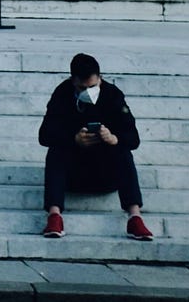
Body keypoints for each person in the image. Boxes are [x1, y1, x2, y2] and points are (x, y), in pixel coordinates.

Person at [38, 52, 152, 241]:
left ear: (100, 79)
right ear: (73, 81)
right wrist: (73, 139)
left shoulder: (112, 94)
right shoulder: (62, 94)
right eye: (83, 87)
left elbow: (133, 139)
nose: (89, 91)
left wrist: (113, 138)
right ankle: (54, 215)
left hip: (106, 172)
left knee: (122, 150)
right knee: (56, 150)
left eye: (93, 86)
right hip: (72, 174)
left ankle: (135, 217)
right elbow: (45, 135)